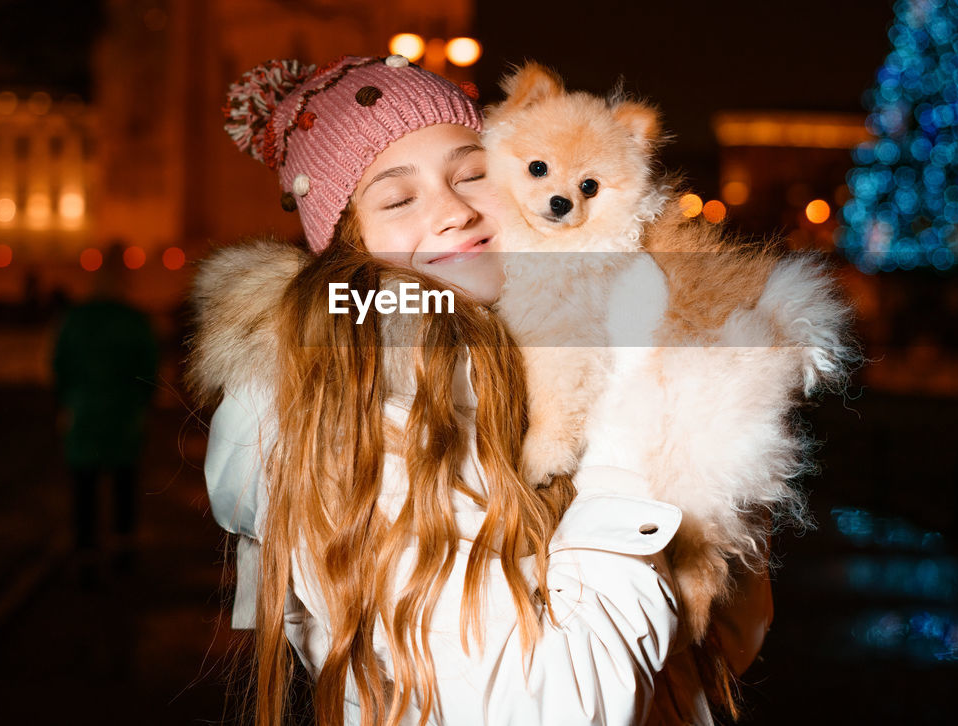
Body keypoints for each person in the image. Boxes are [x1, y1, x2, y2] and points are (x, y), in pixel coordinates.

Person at [191, 55, 771, 725]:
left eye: (473, 174)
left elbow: (721, 647)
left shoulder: (522, 354)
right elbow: (556, 709)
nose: (456, 212)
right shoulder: (368, 403)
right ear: (349, 245)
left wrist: (709, 446)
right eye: (399, 199)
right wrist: (637, 420)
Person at [53, 252, 160, 583]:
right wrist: (143, 403)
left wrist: (66, 402)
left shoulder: (76, 320)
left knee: (84, 483)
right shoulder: (135, 321)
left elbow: (60, 363)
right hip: (124, 412)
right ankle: (123, 544)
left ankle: (86, 548)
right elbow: (149, 368)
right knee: (123, 480)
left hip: (84, 411)